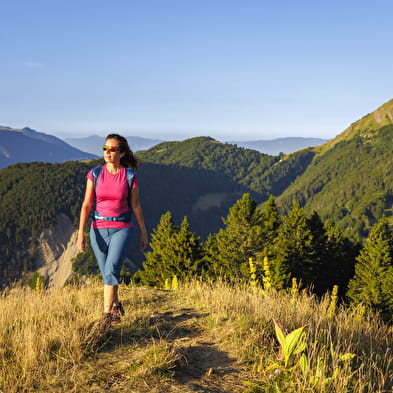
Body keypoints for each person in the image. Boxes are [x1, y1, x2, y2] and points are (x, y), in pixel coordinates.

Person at [77, 134, 148, 326]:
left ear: (122, 153)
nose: (108, 152)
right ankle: (116, 306)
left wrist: (143, 232)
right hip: (98, 229)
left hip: (121, 229)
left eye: (113, 149)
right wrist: (80, 233)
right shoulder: (95, 173)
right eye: (105, 148)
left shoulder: (130, 176)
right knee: (108, 274)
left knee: (111, 270)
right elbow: (86, 205)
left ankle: (106, 316)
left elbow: (136, 206)